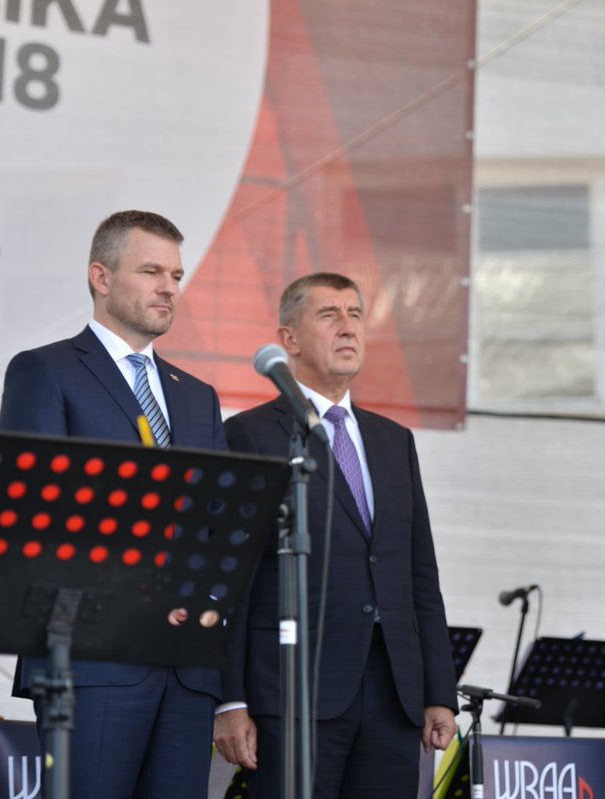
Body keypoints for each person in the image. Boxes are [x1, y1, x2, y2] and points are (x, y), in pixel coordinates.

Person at [0, 210, 227, 798]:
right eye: (151, 271)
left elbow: (220, 527)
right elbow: (32, 518)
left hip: (188, 669)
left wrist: (204, 603)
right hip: (92, 662)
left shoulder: (198, 398)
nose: (168, 288)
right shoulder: (45, 372)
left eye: (176, 275)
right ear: (100, 277)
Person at [213, 272, 458, 798]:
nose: (348, 327)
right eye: (329, 315)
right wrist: (230, 700)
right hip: (292, 692)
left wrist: (439, 690)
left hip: (393, 693)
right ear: (290, 339)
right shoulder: (249, 435)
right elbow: (229, 577)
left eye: (356, 315)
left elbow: (419, 573)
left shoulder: (394, 441)